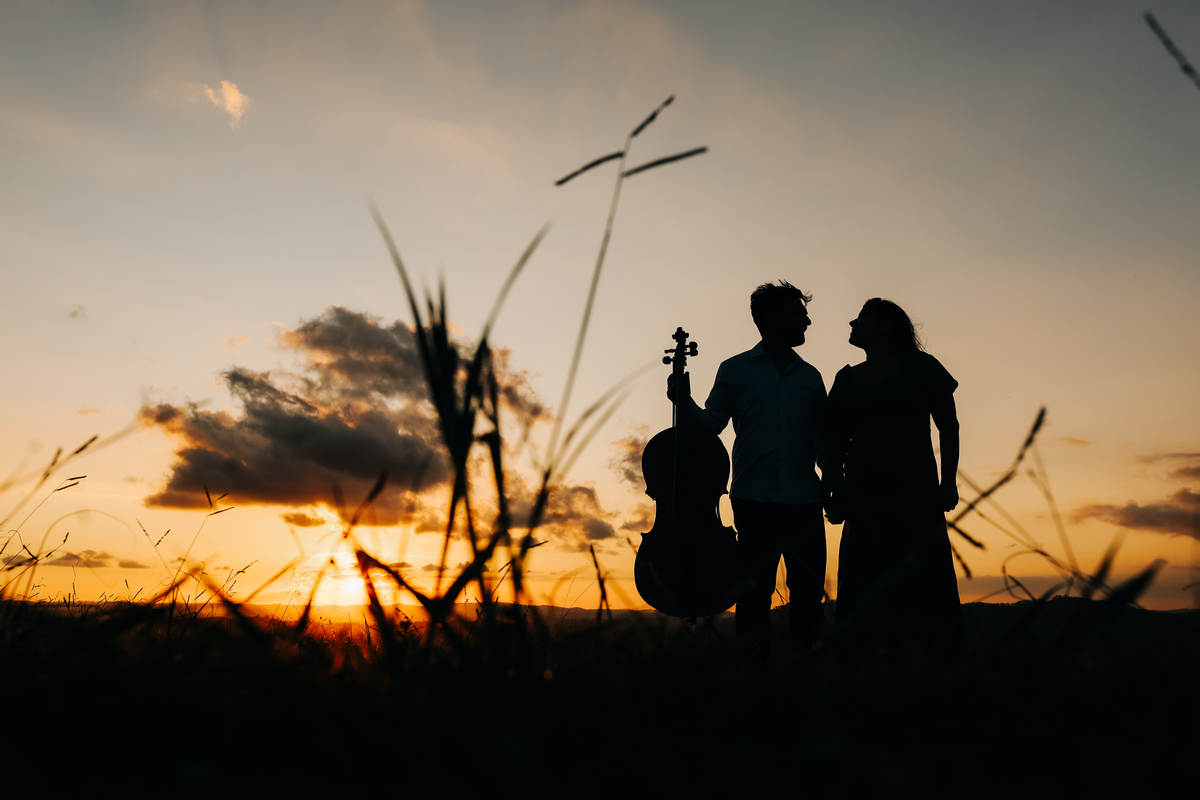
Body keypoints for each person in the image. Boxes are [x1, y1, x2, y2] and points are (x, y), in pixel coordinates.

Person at [670, 281, 827, 653]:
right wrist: (683, 401)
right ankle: (754, 679)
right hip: (753, 499)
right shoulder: (734, 370)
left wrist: (834, 483)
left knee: (807, 596)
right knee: (754, 596)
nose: (807, 321)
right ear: (772, 318)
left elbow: (821, 442)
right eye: (798, 313)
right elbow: (711, 424)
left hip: (805, 499)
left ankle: (804, 673)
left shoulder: (812, 377)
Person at [822, 298, 965, 658]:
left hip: (915, 493)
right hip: (863, 496)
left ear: (887, 326)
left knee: (922, 580)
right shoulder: (846, 379)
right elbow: (833, 443)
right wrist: (832, 491)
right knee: (865, 584)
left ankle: (933, 666)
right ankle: (862, 671)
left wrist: (948, 482)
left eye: (862, 317)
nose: (852, 323)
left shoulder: (922, 367)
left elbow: (948, 426)